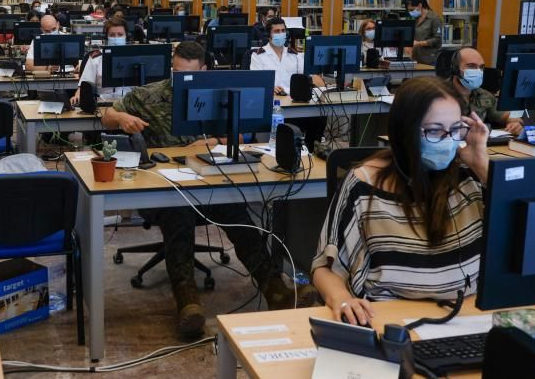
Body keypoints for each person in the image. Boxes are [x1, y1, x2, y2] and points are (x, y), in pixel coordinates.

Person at [101, 41, 316, 337]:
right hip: (163, 189)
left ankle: (275, 289)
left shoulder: (219, 94)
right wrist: (122, 118)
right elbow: (106, 116)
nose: (181, 80)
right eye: (176, 73)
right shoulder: (150, 95)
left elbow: (238, 135)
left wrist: (216, 141)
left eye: (189, 74)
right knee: (179, 215)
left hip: (209, 181)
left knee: (238, 212)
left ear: (204, 70)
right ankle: (188, 303)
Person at [312, 77, 489, 326]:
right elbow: (325, 268)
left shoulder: (470, 177)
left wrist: (482, 166)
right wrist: (342, 299)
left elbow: (522, 244)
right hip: (388, 318)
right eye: (435, 131)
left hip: (469, 315)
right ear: (404, 132)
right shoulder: (364, 184)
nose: (449, 140)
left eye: (456, 129)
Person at [249, 17, 325, 150]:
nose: (281, 34)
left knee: (320, 115)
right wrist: (269, 88)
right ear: (269, 35)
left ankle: (311, 150)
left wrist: (311, 79)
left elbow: (316, 79)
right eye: (276, 31)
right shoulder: (258, 56)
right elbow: (256, 83)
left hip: (295, 103)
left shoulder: (295, 55)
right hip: (275, 106)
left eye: (283, 30)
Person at [448, 46, 522, 135]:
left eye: (481, 67)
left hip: (477, 143)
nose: (478, 71)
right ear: (455, 69)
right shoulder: (437, 95)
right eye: (471, 66)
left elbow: (506, 116)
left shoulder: (485, 95)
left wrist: (514, 123)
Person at [70, 18, 132, 105]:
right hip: (102, 103)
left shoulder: (135, 56)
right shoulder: (96, 57)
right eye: (112, 35)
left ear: (127, 36)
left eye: (120, 34)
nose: (116, 38)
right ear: (106, 37)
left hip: (129, 103)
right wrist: (77, 96)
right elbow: (84, 85)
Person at [407, 0, 442, 65]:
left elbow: (437, 40)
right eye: (409, 10)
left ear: (419, 6)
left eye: (412, 10)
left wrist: (419, 43)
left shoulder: (434, 18)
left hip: (429, 60)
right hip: (415, 58)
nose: (410, 12)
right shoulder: (415, 19)